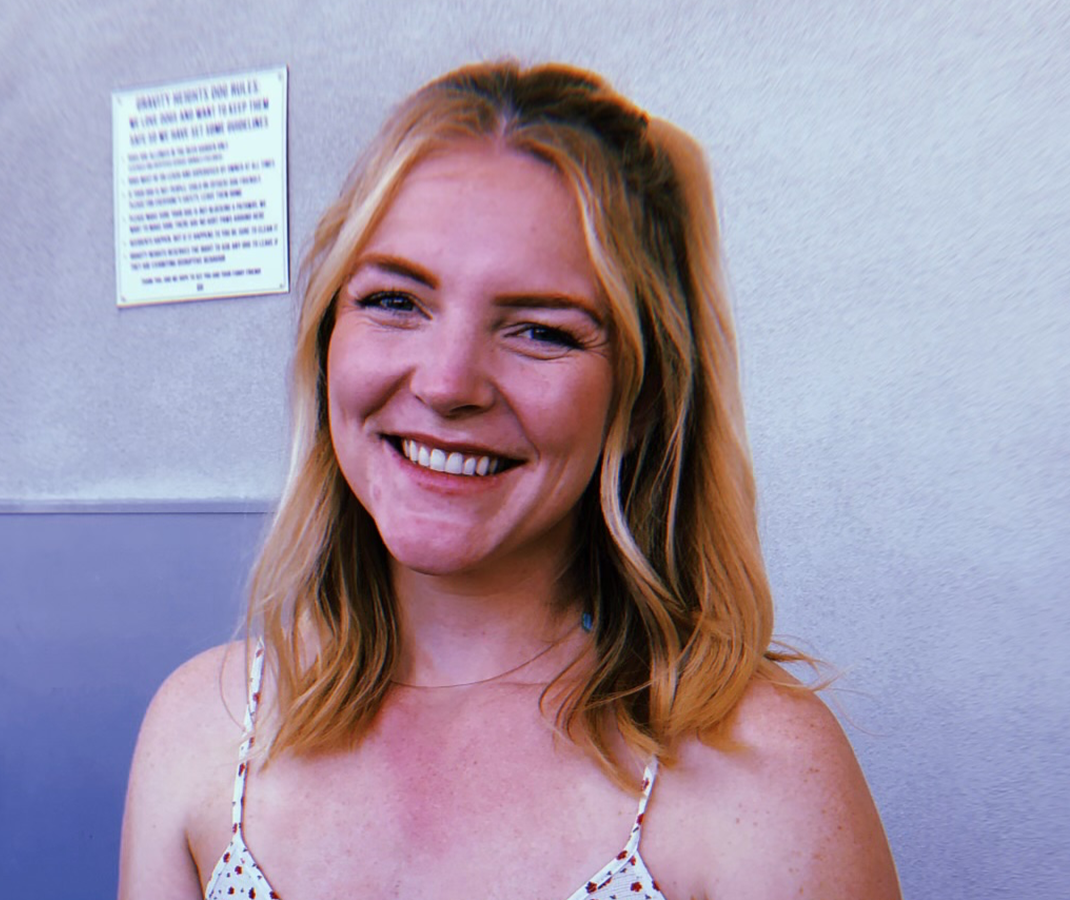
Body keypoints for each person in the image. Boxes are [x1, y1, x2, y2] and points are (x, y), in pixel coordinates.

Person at [118, 61, 901, 900]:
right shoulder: (203, 728)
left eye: (540, 330)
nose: (447, 383)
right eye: (395, 301)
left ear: (643, 396)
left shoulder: (765, 772)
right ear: (325, 340)